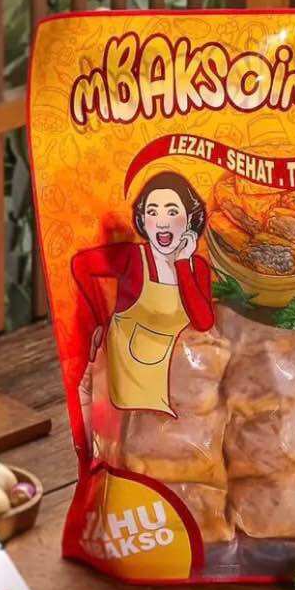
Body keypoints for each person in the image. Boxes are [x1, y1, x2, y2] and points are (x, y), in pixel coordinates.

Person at [72, 171, 214, 420]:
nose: (162, 222)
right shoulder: (133, 258)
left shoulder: (197, 267)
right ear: (142, 221)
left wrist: (182, 263)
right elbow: (81, 265)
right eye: (152, 212)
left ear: (190, 219)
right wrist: (101, 319)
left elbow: (203, 322)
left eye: (172, 211)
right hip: (130, 389)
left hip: (177, 383)